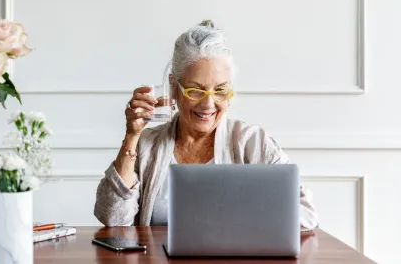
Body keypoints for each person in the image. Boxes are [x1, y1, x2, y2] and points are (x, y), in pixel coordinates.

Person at [93, 20, 319, 231]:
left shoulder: (253, 143)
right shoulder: (148, 145)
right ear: (174, 88)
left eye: (220, 90)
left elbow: (305, 215)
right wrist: (131, 136)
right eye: (195, 90)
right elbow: (113, 219)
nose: (208, 104)